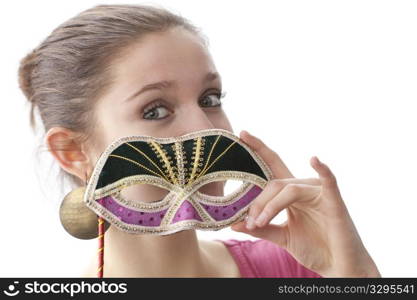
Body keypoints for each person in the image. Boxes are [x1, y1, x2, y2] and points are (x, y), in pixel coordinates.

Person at [18, 4, 381, 278]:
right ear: (73, 152)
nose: (208, 129)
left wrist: (352, 274)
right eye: (155, 110)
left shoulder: (299, 270)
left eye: (210, 99)